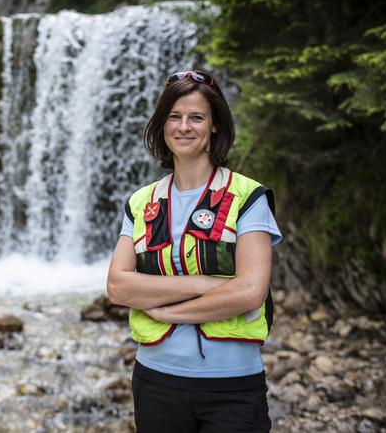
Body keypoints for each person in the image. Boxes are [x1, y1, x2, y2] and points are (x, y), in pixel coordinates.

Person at [107, 69, 282, 432]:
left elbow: (251, 291)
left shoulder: (248, 197)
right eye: (175, 116)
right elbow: (118, 287)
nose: (184, 126)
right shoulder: (142, 202)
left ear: (214, 125)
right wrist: (205, 283)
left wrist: (168, 313)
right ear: (162, 125)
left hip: (232, 387)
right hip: (155, 381)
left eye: (196, 117)